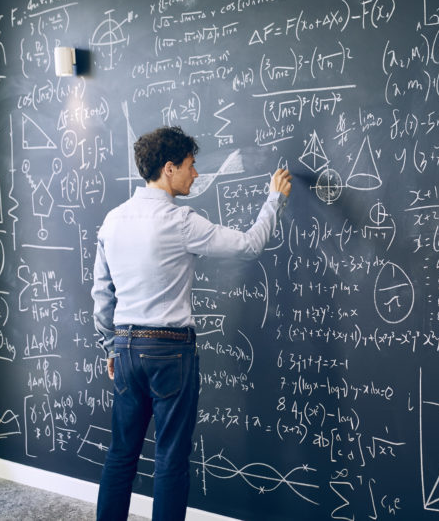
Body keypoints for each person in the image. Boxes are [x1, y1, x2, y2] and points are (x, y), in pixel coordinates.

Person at [91, 126, 291, 520]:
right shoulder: (180, 221)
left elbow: (102, 293)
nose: (195, 174)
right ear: (169, 168)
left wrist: (109, 346)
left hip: (127, 348)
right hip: (170, 351)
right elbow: (250, 245)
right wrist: (275, 200)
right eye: (190, 166)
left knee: (120, 456)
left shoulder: (112, 221)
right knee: (170, 458)